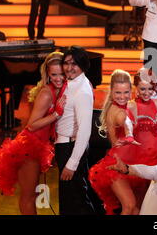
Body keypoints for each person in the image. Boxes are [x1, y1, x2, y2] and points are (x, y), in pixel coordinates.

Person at [0, 52, 66, 214]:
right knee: (28, 196)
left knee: (31, 194)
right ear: (47, 74)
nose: (58, 78)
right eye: (54, 74)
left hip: (39, 147)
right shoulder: (47, 93)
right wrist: (56, 114)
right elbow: (32, 125)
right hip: (28, 148)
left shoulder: (58, 90)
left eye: (62, 73)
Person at [89, 68, 157, 215]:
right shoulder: (122, 109)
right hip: (120, 163)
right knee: (130, 206)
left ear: (131, 91)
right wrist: (129, 134)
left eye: (125, 92)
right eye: (118, 92)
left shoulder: (151, 104)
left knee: (139, 209)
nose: (122, 96)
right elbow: (127, 122)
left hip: (141, 163)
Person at [54, 45, 95, 215]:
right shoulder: (73, 83)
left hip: (71, 149)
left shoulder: (82, 90)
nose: (69, 68)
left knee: (77, 200)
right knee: (69, 199)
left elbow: (85, 131)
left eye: (74, 64)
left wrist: (72, 163)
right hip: (65, 146)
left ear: (82, 65)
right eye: (66, 63)